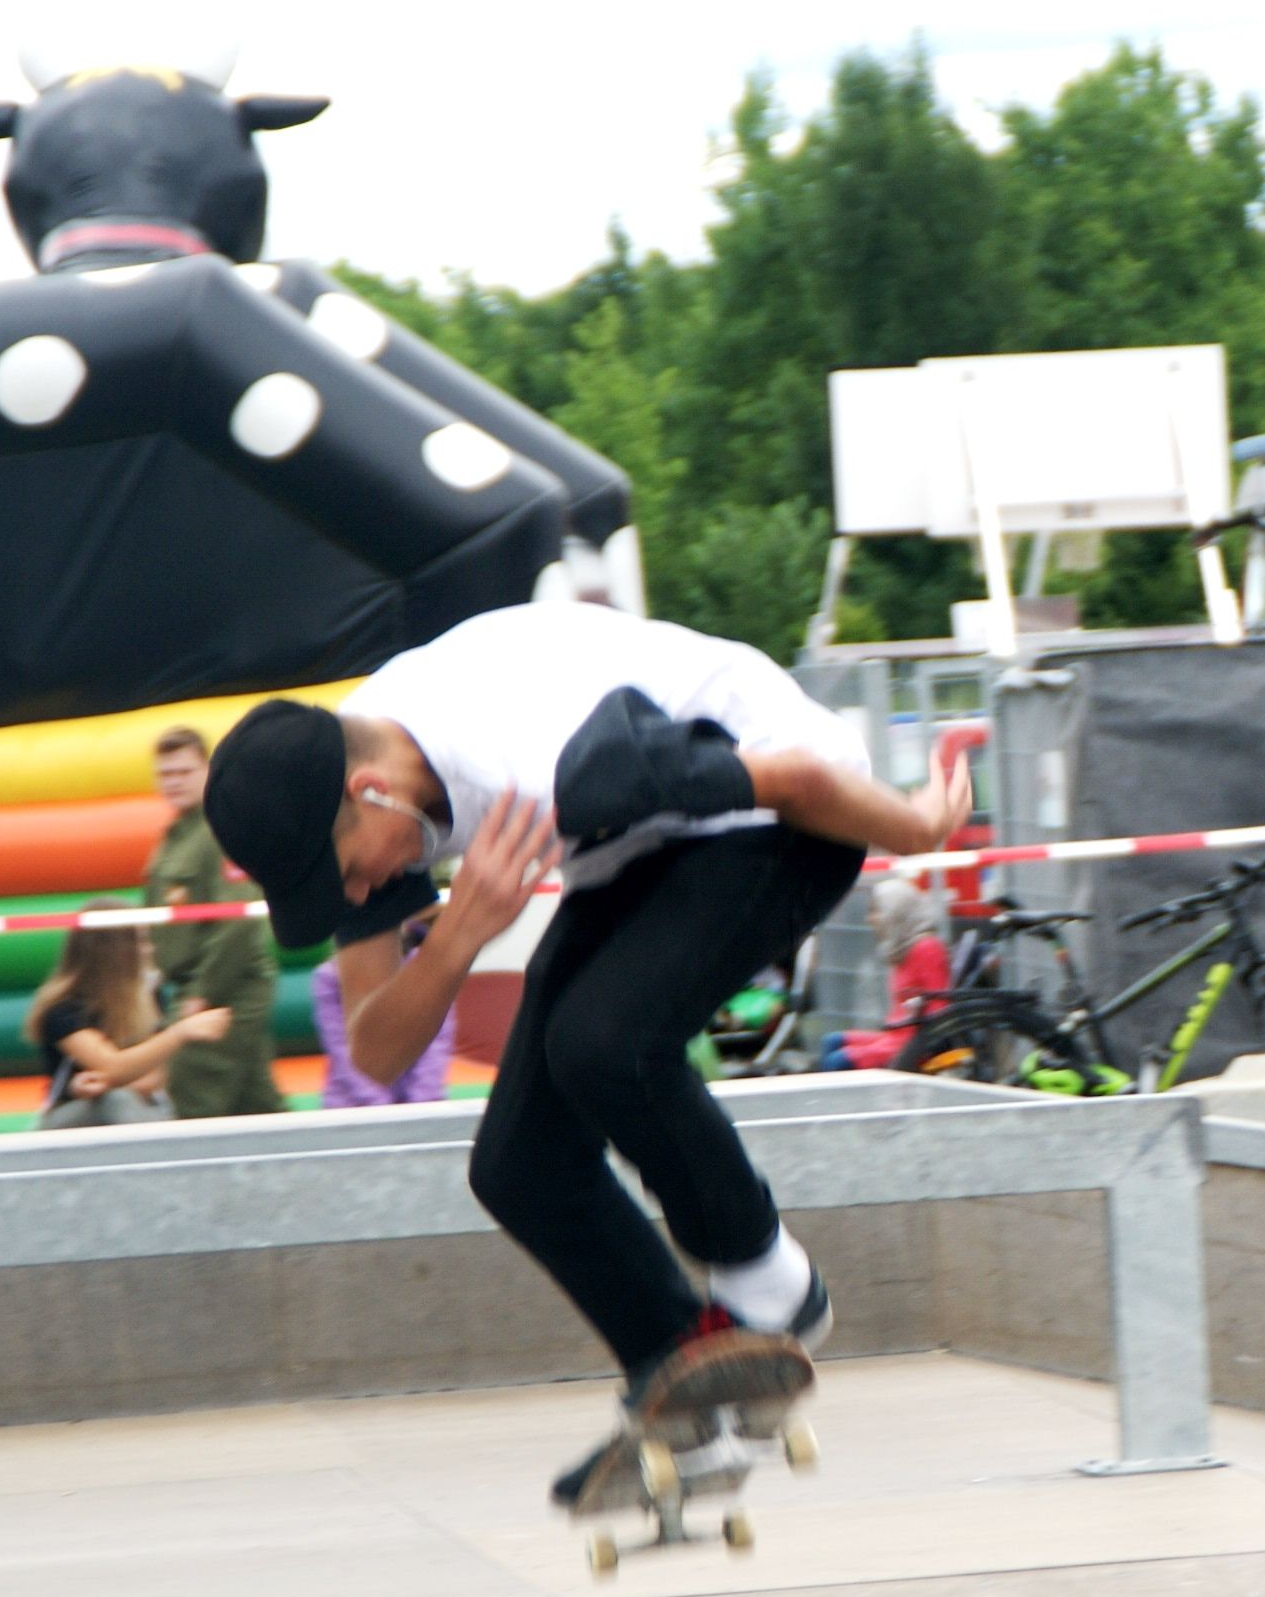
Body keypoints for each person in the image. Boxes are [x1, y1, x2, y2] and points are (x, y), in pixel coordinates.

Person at [203, 603, 970, 1505]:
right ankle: (684, 1378)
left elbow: (796, 777)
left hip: (784, 811)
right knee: (516, 1165)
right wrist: (455, 940)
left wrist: (918, 830)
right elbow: (376, 1048)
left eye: (350, 872)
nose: (363, 892)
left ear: (372, 791)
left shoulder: (539, 761)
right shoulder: (354, 778)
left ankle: (773, 1290)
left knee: (604, 1045)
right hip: (635, 842)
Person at [142, 726, 287, 1119]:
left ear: (208, 771)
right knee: (255, 1108)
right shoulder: (177, 835)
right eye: (165, 774)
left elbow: (236, 921)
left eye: (184, 772)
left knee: (194, 1098)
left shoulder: (221, 828)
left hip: (225, 986)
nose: (173, 782)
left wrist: (202, 994)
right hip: (197, 986)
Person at [24, 901, 235, 1129]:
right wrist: (180, 1033)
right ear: (114, 949)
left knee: (139, 1102)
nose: (150, 949)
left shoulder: (149, 995)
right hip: (71, 1117)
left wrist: (109, 1083)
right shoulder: (64, 1009)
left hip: (135, 1105)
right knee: (117, 1101)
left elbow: (155, 1075)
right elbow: (111, 1066)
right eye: (141, 941)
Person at [310, 908, 458, 1107]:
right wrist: (379, 1103)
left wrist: (421, 1101)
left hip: (420, 1105)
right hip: (351, 1105)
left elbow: (436, 1041)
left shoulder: (427, 967)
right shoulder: (329, 977)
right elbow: (340, 1049)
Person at [820, 877, 952, 1071]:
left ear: (896, 912)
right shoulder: (901, 950)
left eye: (877, 911)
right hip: (896, 1034)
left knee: (837, 1061)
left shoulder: (927, 948)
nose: (870, 919)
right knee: (832, 1041)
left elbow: (939, 1005)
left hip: (913, 1042)